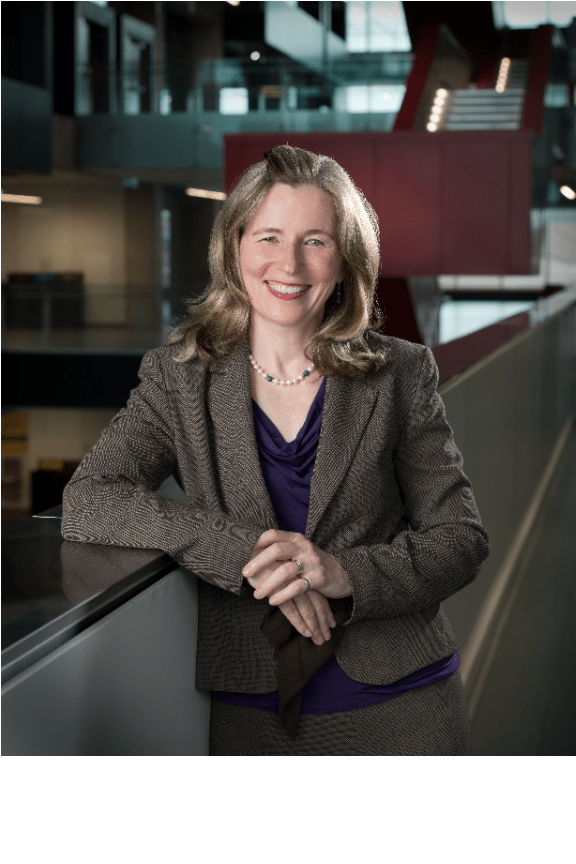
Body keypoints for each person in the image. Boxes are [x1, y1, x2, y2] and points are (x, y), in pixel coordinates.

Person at [62, 145, 489, 755]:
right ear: (234, 249)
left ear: (344, 262)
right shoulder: (178, 379)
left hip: (404, 705)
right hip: (254, 715)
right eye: (268, 236)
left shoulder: (399, 372)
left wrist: (346, 574)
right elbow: (89, 498)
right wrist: (240, 553)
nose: (289, 263)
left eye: (316, 240)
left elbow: (462, 538)